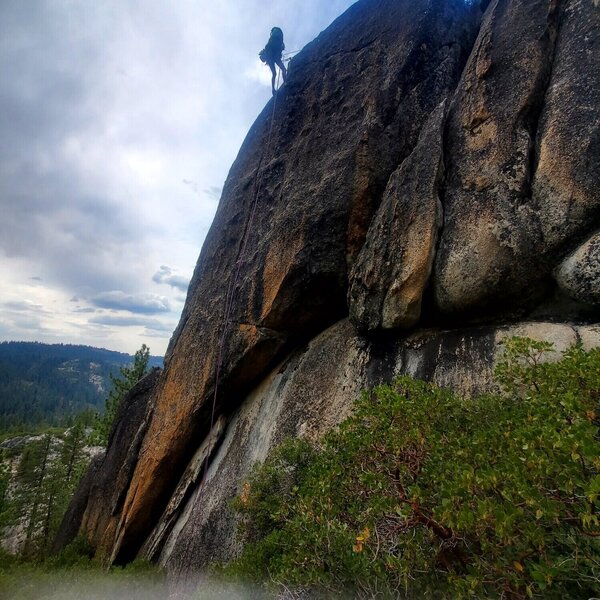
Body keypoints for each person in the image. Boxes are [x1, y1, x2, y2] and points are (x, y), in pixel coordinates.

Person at [259, 27, 287, 96]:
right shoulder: (273, 45)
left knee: (274, 73)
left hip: (273, 58)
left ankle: (273, 89)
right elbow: (279, 49)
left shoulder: (269, 50)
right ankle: (286, 82)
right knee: (283, 69)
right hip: (275, 57)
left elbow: (274, 73)